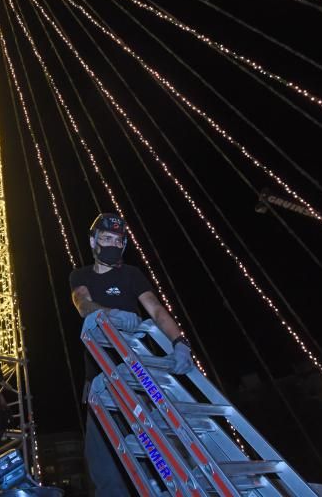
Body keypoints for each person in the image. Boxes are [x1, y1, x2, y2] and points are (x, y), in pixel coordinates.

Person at [69, 212, 192, 497]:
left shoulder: (131, 274)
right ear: (93, 240)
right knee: (104, 466)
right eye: (106, 238)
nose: (112, 244)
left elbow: (157, 310)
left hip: (139, 377)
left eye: (117, 240)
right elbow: (83, 304)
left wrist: (179, 341)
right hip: (101, 382)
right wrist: (110, 314)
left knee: (156, 455)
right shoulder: (81, 275)